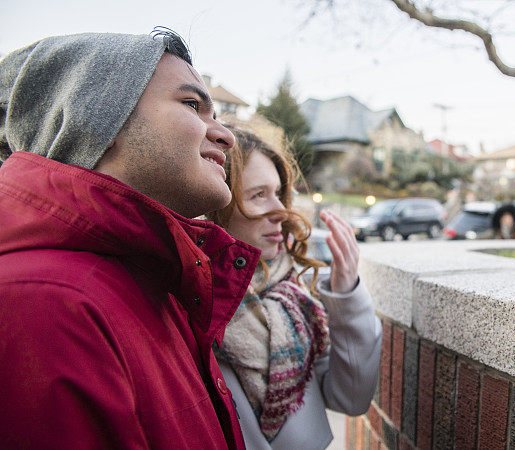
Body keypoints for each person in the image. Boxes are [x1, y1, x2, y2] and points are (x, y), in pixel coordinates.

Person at [0, 30, 259, 449]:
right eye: (193, 105)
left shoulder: (154, 278)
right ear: (98, 118)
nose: (225, 135)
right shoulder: (42, 304)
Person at [207, 127, 381, 450]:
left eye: (278, 193)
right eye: (259, 195)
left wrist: (348, 296)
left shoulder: (292, 296)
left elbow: (352, 398)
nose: (281, 212)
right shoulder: (192, 303)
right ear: (217, 204)